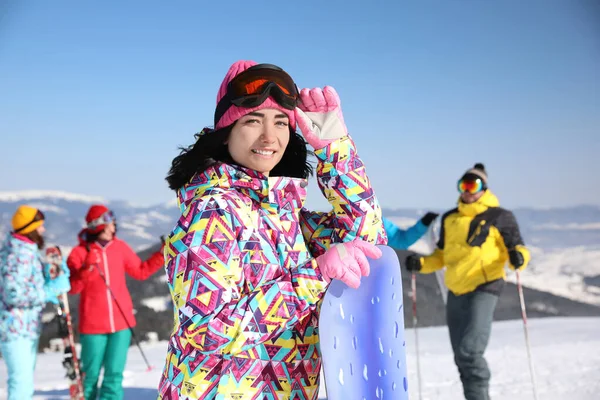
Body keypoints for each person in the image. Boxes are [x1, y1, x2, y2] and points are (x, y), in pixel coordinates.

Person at [158, 60, 386, 399]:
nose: (269, 136)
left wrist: (334, 148)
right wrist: (315, 276)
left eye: (281, 122)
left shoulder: (284, 214)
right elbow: (208, 331)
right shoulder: (211, 211)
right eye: (252, 121)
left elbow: (367, 244)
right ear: (226, 133)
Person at [404, 163, 531, 400]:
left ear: (484, 188)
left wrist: (519, 257)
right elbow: (441, 256)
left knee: (470, 351)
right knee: (460, 356)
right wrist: (421, 264)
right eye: (464, 185)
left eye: (473, 185)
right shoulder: (451, 218)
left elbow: (518, 248)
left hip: (485, 286)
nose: (468, 190)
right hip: (456, 290)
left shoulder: (499, 216)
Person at [66, 204, 165, 400]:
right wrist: (86, 269)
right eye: (109, 224)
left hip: (122, 323)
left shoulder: (119, 247)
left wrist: (161, 254)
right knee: (90, 377)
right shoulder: (79, 253)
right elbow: (73, 288)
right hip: (93, 326)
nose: (114, 227)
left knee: (114, 376)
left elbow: (141, 271)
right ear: (97, 226)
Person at [0, 205, 70, 400]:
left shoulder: (24, 250)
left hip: (25, 327)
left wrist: (48, 277)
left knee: (25, 381)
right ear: (30, 228)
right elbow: (14, 295)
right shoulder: (18, 255)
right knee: (21, 383)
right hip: (15, 329)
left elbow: (27, 284)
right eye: (40, 226)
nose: (43, 230)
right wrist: (50, 290)